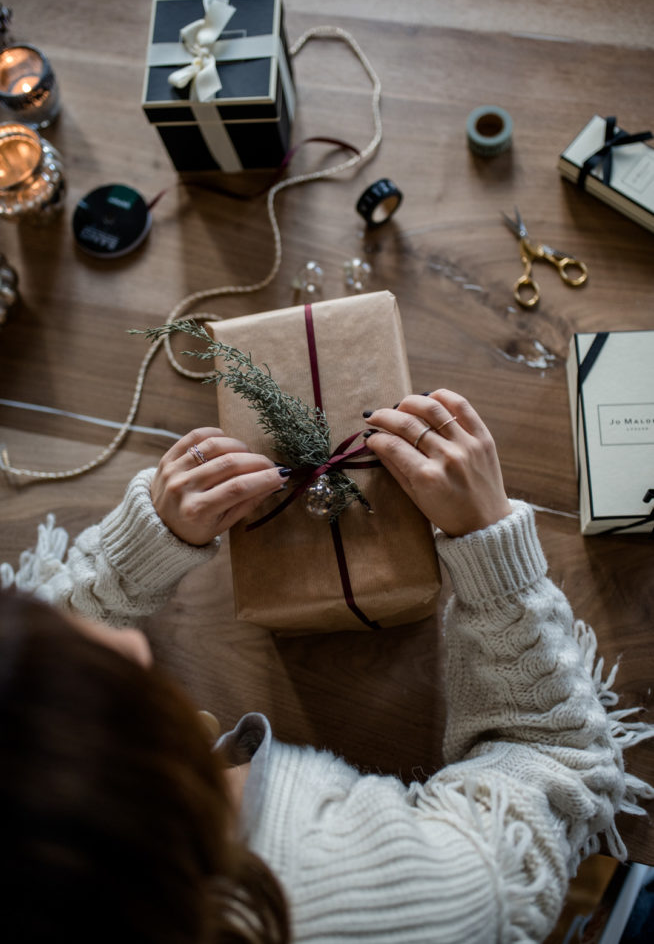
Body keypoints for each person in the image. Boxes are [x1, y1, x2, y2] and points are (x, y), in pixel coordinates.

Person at [2, 388, 654, 943]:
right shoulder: (423, 900)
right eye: (105, 684)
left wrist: (127, 565)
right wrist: (490, 546)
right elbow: (561, 761)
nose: (124, 644)